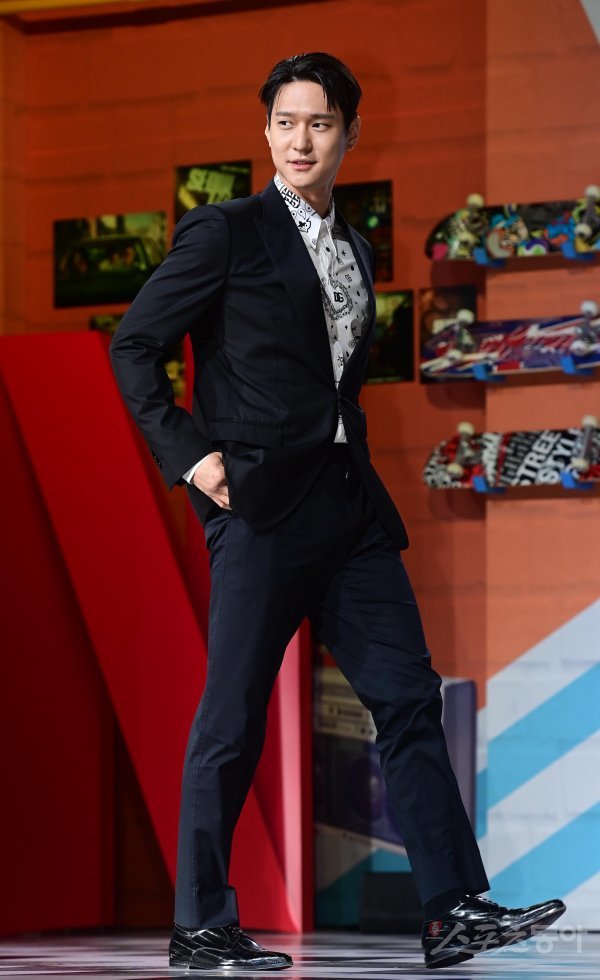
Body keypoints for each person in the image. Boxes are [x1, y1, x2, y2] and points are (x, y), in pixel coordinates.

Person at [109, 52, 566, 972]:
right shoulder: (226, 231)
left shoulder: (356, 249)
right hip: (260, 511)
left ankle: (451, 908)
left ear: (349, 134)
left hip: (349, 509)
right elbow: (135, 345)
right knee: (233, 715)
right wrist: (193, 458)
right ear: (266, 130)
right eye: (284, 122)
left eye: (318, 123)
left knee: (408, 698)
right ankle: (202, 924)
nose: (299, 140)